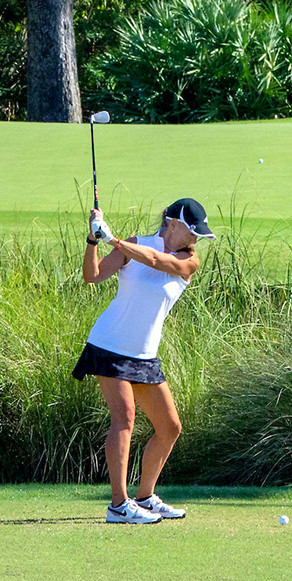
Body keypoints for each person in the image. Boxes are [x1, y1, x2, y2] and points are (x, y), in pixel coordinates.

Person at [74, 198, 214, 524]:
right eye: (192, 232)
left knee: (169, 427)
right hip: (109, 344)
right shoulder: (136, 243)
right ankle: (118, 505)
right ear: (172, 223)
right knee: (124, 418)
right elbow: (93, 275)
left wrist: (112, 239)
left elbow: (155, 260)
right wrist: (93, 240)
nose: (195, 240)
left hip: (144, 354)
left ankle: (145, 497)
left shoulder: (188, 260)